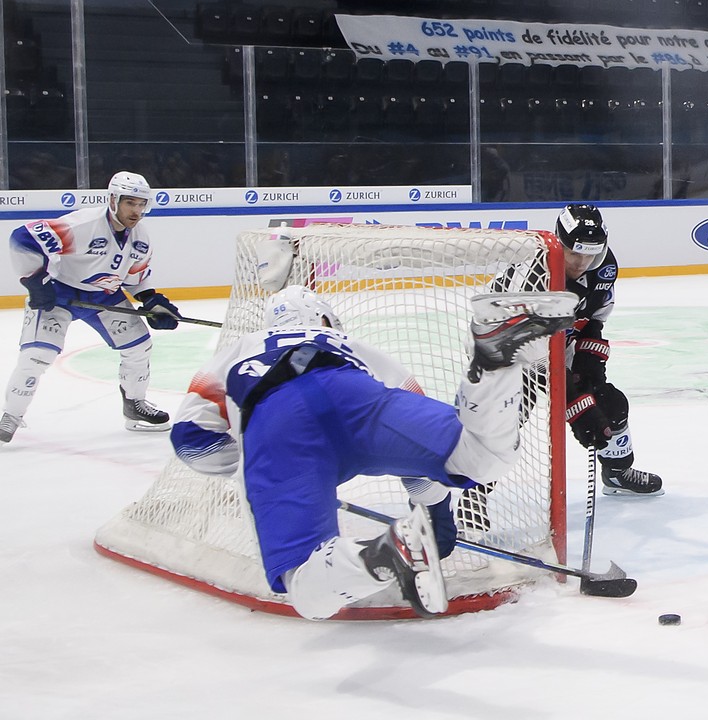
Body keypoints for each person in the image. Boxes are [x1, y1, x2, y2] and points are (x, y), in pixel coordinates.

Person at [169, 285, 578, 620]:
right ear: (326, 320)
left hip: (278, 424)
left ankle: (383, 555)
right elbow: (420, 464)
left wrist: (260, 472)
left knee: (309, 594)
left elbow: (192, 441)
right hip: (357, 399)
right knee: (481, 457)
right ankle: (494, 360)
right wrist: (437, 517)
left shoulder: (240, 347)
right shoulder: (350, 343)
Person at [490, 204, 663, 495]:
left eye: (590, 253)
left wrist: (588, 367)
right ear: (559, 244)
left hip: (558, 343)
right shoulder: (534, 278)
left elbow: (594, 317)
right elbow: (534, 355)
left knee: (610, 403)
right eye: (575, 253)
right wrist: (576, 404)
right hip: (507, 350)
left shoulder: (603, 267)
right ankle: (472, 499)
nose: (583, 261)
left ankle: (617, 473)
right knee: (505, 424)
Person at [2, 171, 181, 446]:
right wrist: (35, 281)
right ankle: (10, 416)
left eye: (141, 204)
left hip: (103, 297)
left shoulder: (141, 240)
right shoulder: (82, 225)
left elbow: (134, 279)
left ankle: (134, 404)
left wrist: (151, 300)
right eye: (130, 203)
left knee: (138, 346)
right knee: (38, 355)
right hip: (59, 293)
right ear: (113, 200)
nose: (136, 211)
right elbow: (22, 239)